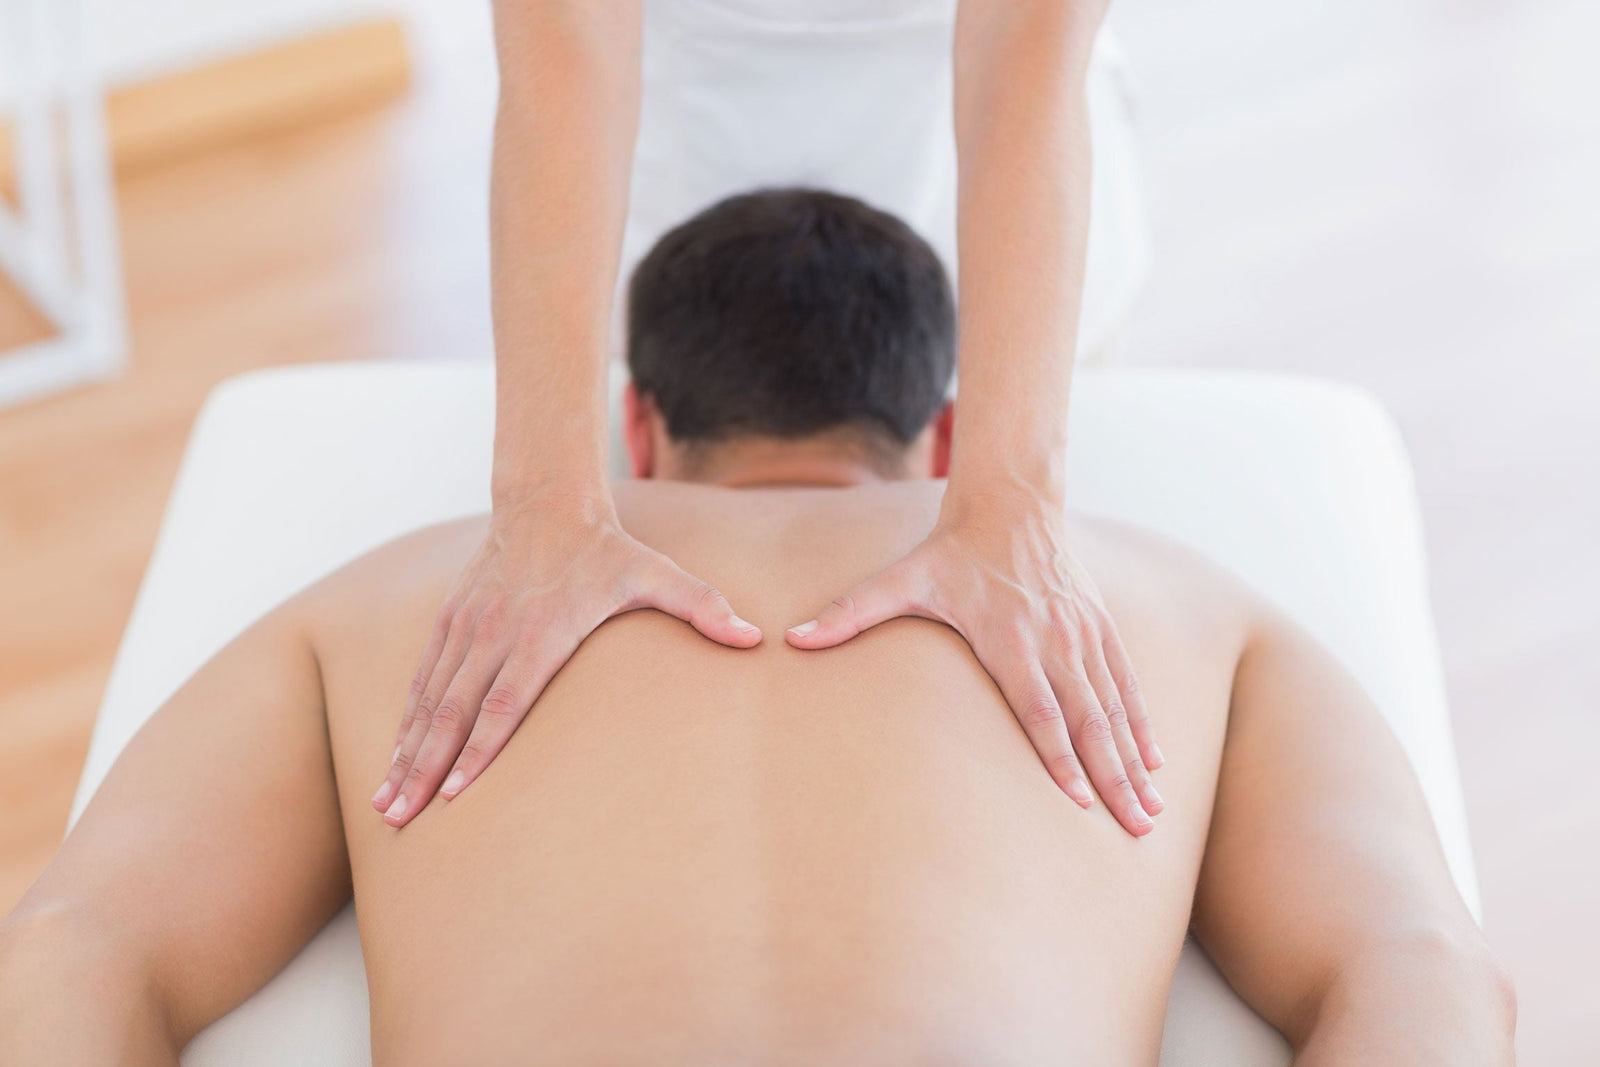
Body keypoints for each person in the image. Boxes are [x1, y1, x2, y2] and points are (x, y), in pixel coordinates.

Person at [0, 190, 1513, 1064]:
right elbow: (1426, 976)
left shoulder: (395, 605)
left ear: (635, 430)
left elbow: (77, 945)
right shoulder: (1184, 613)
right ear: (947, 435)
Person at [379, 0, 1162, 831]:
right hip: (660, 163)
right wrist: (543, 498)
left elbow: (1023, 47)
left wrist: (1015, 500)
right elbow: (567, 41)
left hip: (1011, 209)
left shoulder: (371, 604)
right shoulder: (1177, 602)